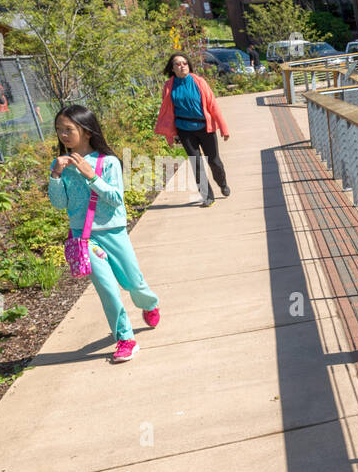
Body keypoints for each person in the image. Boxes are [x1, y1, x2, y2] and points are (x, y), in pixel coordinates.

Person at [49, 105, 160, 364]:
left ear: (86, 131)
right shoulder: (61, 166)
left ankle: (150, 303)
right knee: (108, 289)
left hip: (113, 232)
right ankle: (125, 338)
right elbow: (59, 203)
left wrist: (91, 176)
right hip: (84, 237)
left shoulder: (108, 162)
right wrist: (55, 174)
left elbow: (114, 199)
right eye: (59, 130)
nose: (63, 135)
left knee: (133, 282)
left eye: (69, 129)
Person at [154, 53, 231, 207]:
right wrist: (170, 135)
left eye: (184, 63)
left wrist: (223, 128)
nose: (182, 66)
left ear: (188, 65)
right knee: (196, 163)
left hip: (205, 127)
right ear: (172, 68)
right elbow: (167, 112)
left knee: (214, 161)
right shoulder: (169, 86)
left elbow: (213, 105)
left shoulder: (199, 82)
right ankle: (207, 196)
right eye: (178, 64)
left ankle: (222, 183)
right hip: (184, 130)